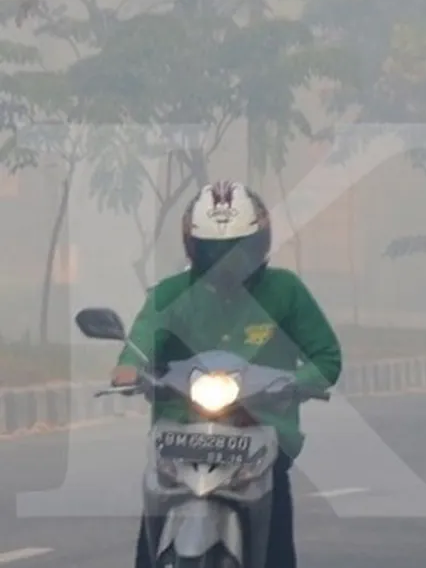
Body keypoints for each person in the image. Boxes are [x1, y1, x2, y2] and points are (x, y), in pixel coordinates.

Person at [110, 180, 343, 568]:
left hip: (261, 434)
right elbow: (143, 337)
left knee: (277, 549)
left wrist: (299, 382)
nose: (225, 260)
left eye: (237, 249)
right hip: (181, 436)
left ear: (259, 245)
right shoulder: (171, 294)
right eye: (213, 250)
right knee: (145, 551)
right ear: (193, 248)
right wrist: (129, 368)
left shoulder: (285, 292)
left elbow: (326, 357)